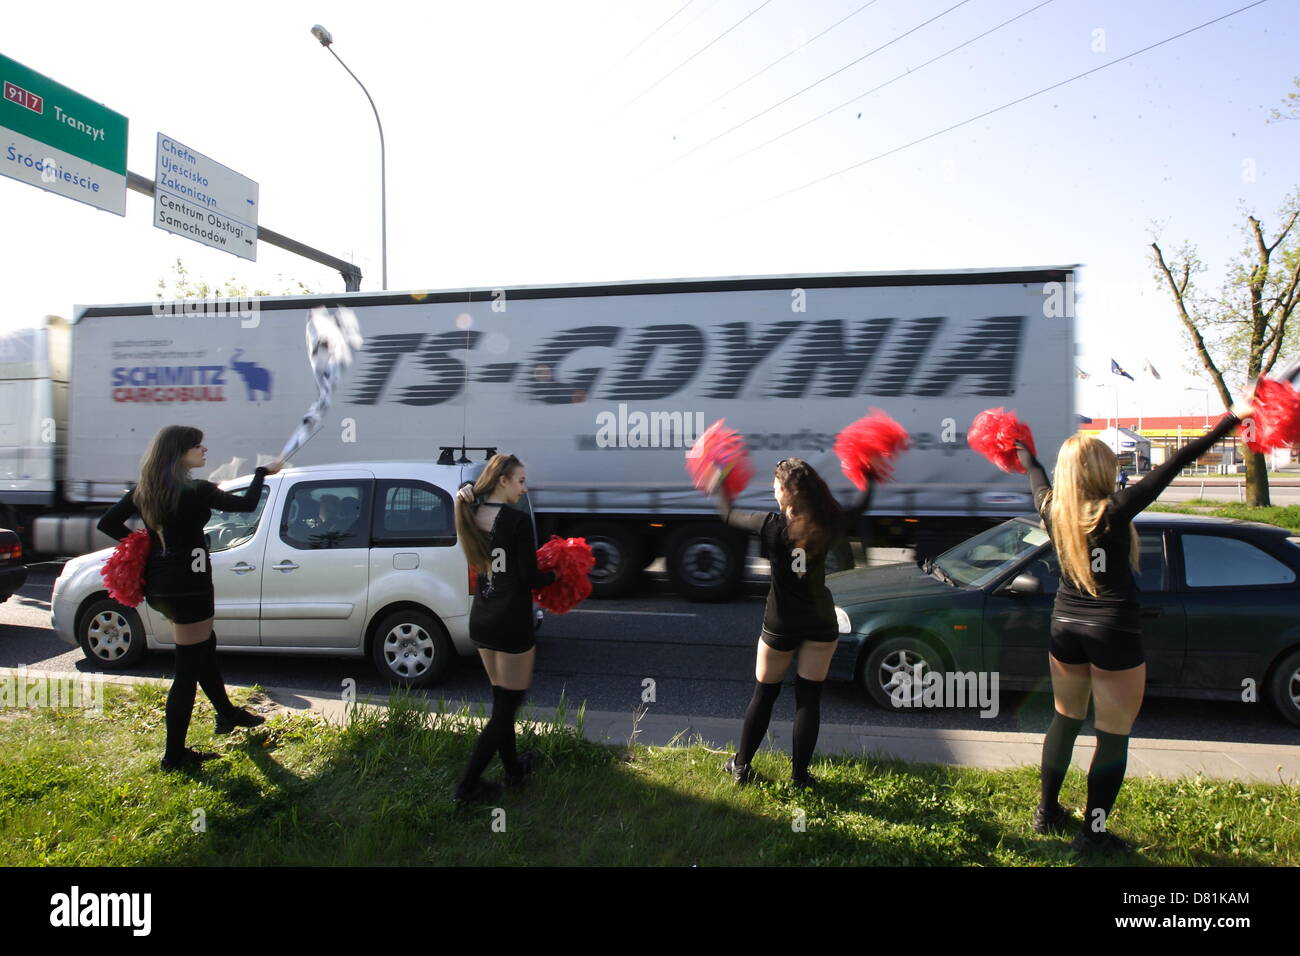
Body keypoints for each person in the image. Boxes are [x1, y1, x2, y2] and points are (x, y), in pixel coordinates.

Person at [1017, 401, 1250, 854]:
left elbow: (1033, 468)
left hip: (1064, 625)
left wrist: (1021, 446)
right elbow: (1179, 461)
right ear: (1100, 471)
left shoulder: (1049, 507)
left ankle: (1046, 813)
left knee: (1064, 719)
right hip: (1113, 631)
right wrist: (1231, 418)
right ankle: (1093, 833)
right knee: (1112, 732)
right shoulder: (1115, 510)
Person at [97, 426, 283, 772]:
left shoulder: (145, 491)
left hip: (162, 587)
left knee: (203, 648)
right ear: (180, 452)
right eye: (197, 446)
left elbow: (108, 523)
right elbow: (246, 504)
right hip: (191, 586)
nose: (204, 450)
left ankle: (226, 713)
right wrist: (261, 473)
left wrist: (148, 545)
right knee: (187, 669)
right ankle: (174, 756)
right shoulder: (196, 490)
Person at [712, 457, 875, 788]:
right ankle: (800, 778)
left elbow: (727, 515)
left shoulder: (771, 526)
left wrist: (719, 481)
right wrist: (868, 474)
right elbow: (860, 507)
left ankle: (741, 767)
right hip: (820, 622)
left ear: (786, 491)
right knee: (808, 699)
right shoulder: (829, 521)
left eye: (775, 485)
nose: (772, 490)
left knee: (764, 695)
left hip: (781, 623)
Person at [452, 453, 556, 803]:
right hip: (511, 624)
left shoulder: (472, 512)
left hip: (482, 620)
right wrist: (559, 573)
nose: (524, 488)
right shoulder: (516, 521)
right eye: (521, 481)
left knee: (501, 701)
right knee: (506, 709)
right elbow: (529, 578)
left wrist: (465, 490)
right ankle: (467, 787)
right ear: (503, 481)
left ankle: (513, 771)